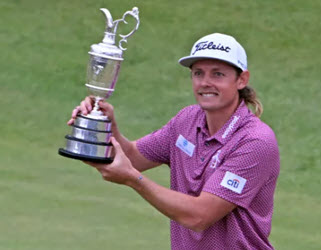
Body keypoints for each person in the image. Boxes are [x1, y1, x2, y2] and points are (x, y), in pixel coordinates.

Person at [68, 33, 280, 250]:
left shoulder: (255, 141)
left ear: (241, 79)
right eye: (198, 73)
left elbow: (199, 217)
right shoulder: (187, 120)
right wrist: (102, 126)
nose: (205, 83)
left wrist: (134, 180)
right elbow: (132, 157)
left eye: (218, 74)